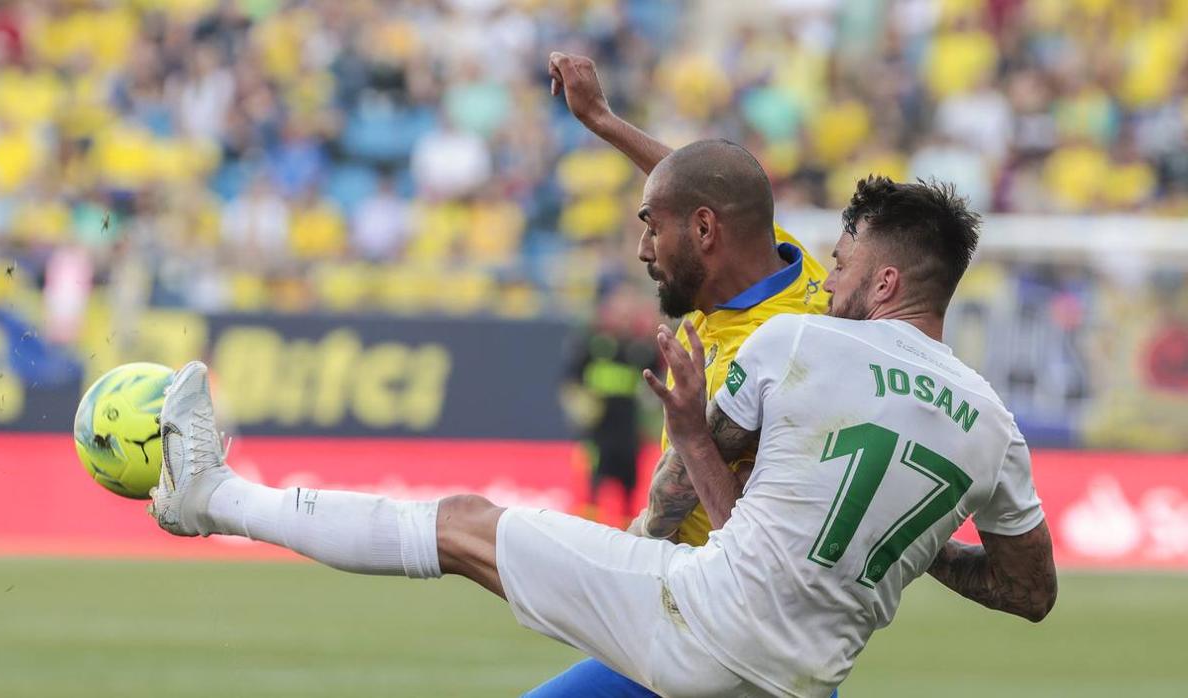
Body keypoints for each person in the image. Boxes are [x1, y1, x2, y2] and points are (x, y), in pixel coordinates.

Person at [149, 163, 1057, 697]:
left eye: (847, 263)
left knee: (465, 525)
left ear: (889, 284)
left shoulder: (802, 341)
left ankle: (210, 495)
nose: (833, 279)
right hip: (796, 682)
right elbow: (1030, 593)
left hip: (703, 621)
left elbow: (696, 495)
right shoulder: (993, 427)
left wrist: (691, 445)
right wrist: (926, 546)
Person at [533, 53, 831, 696]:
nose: (643, 248)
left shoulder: (763, 354)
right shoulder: (788, 266)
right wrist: (603, 121)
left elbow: (672, 503)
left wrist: (601, 579)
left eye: (652, 230)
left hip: (714, 618)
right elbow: (706, 190)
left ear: (702, 234)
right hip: (774, 626)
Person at [561, 282, 658, 525]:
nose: (624, 316)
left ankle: (625, 535)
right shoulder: (592, 343)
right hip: (597, 431)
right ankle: (584, 533)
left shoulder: (642, 349)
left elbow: (657, 386)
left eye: (629, 310)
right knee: (592, 486)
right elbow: (571, 380)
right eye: (619, 309)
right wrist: (580, 406)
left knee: (629, 489)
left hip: (629, 430)